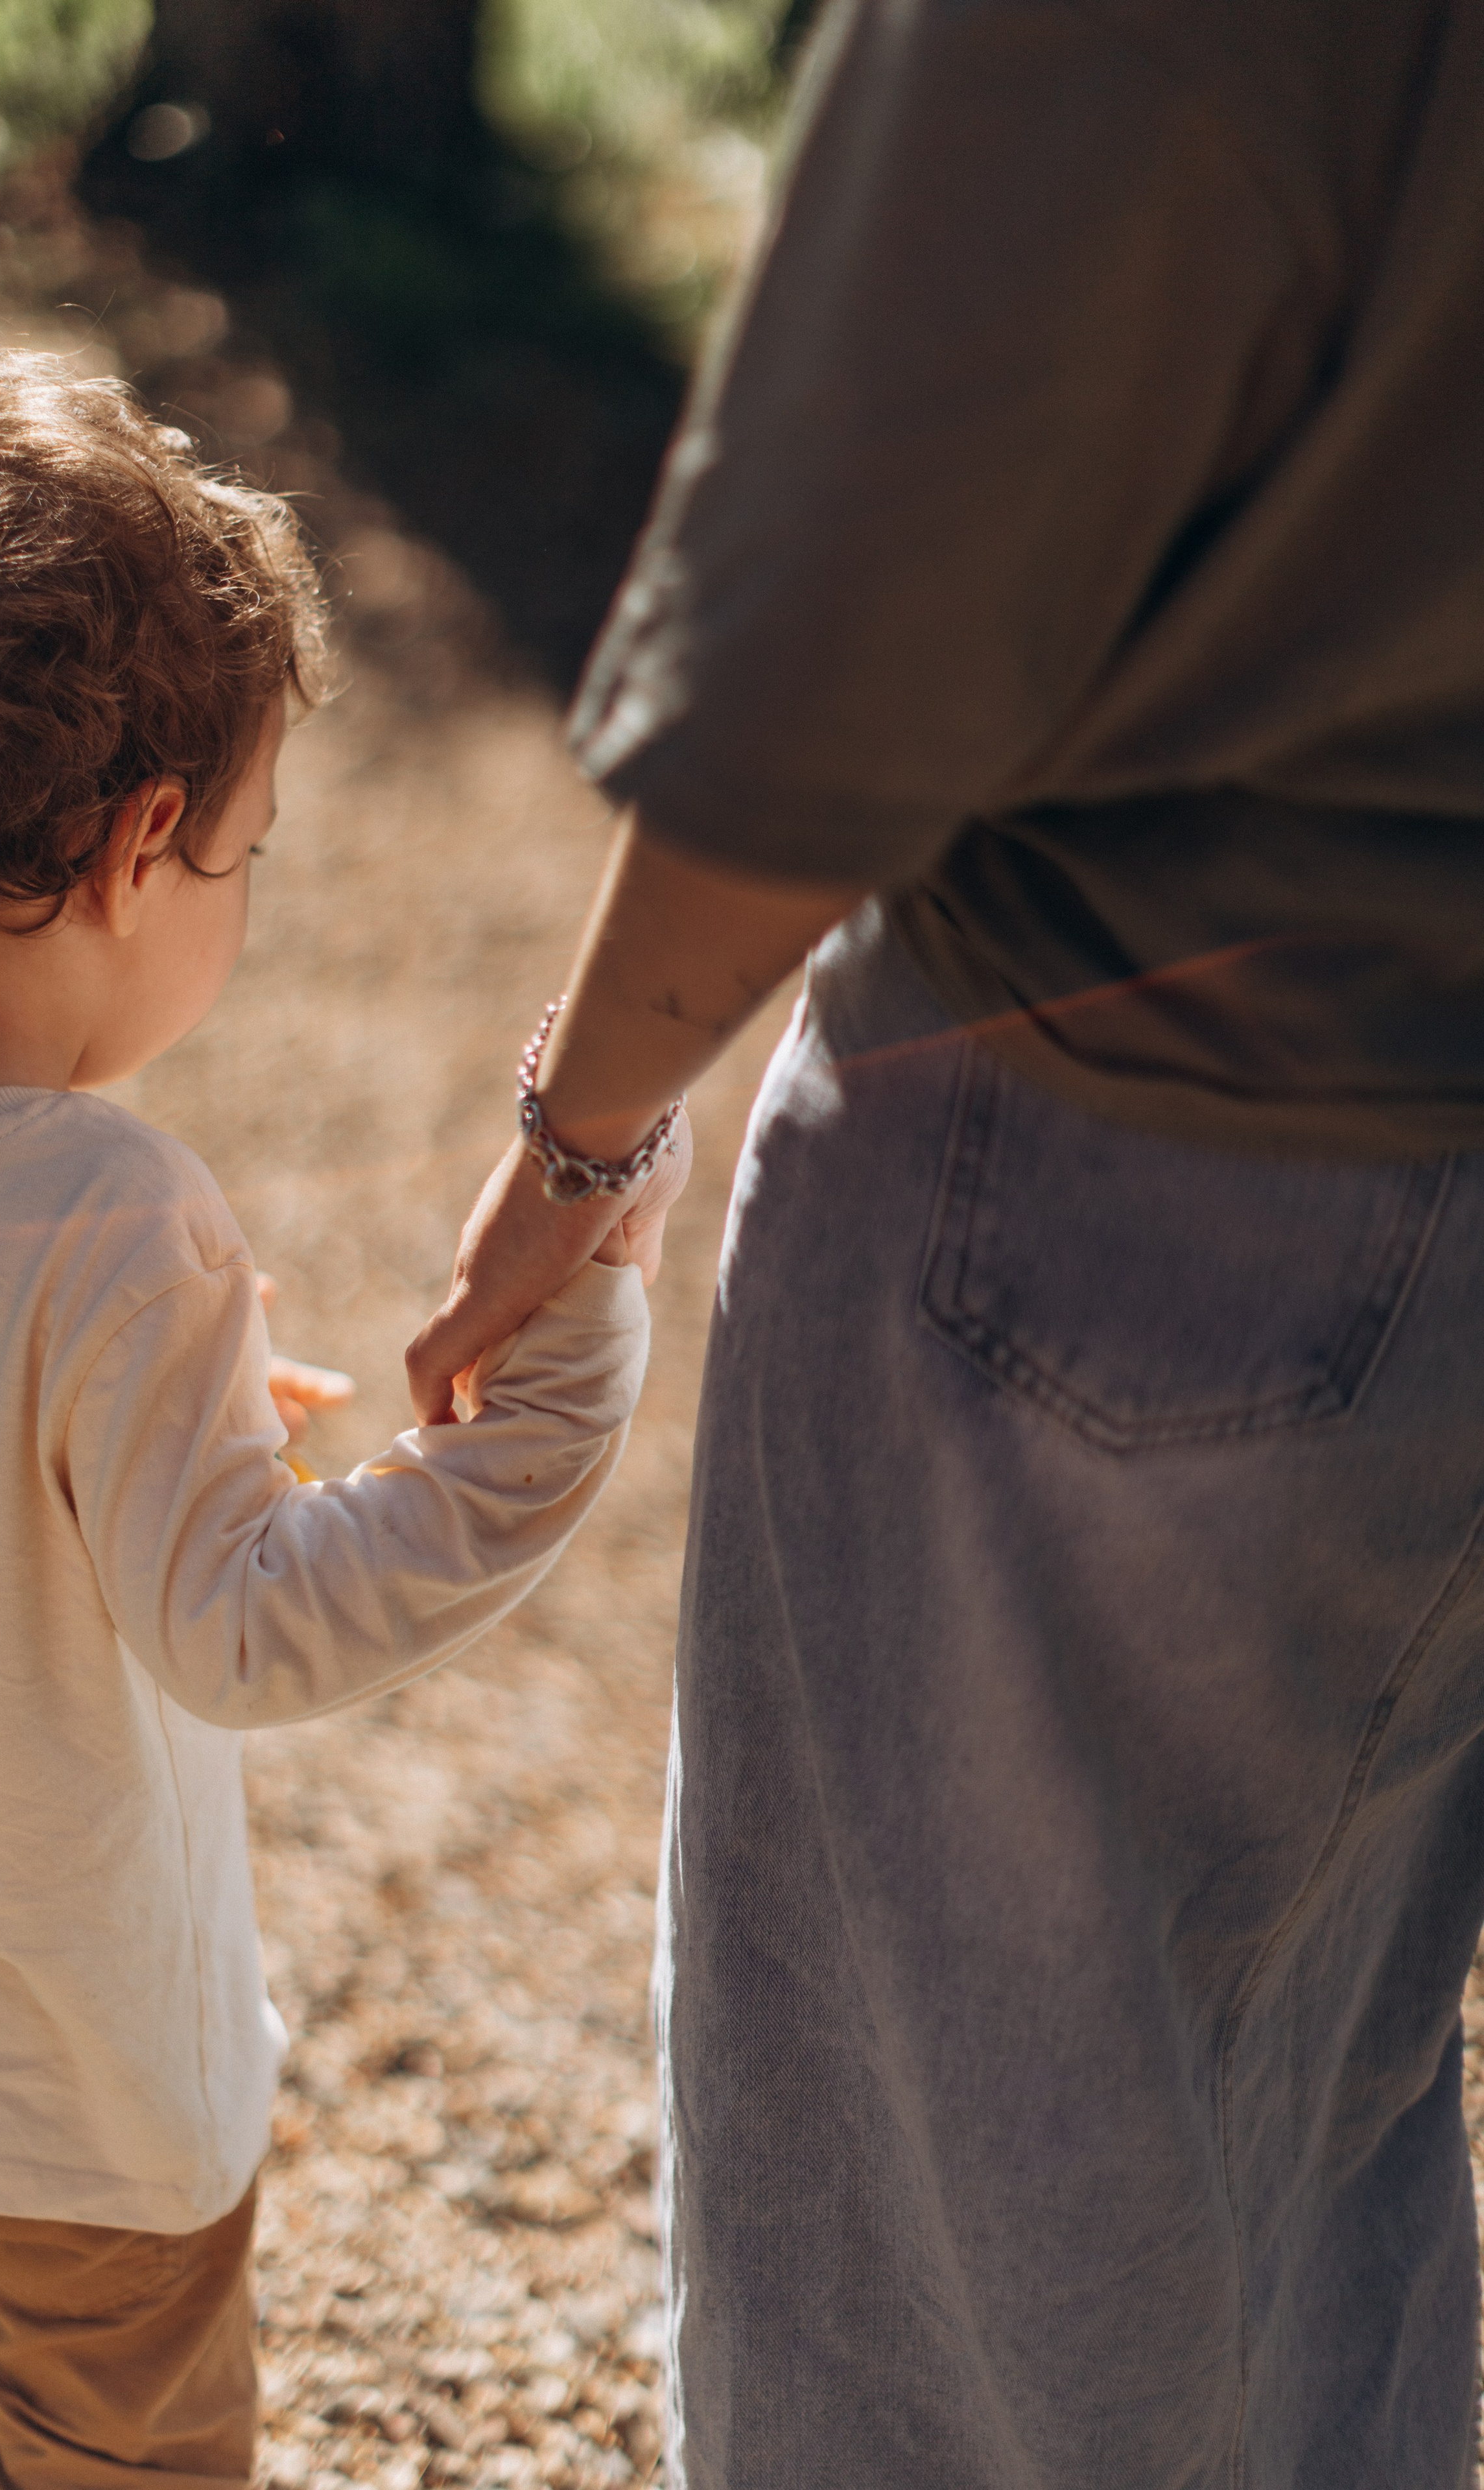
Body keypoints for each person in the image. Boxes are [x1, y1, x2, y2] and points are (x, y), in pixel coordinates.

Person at [407, 1, 1484, 2482]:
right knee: (1318, 2108)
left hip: (1119, 1185)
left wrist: (580, 1137)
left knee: (929, 2230)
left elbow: (827, 648)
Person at [0, 345, 686, 2490]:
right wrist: (564, 1368)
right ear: (137, 848)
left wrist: (117, 1442)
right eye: (245, 852)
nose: (241, 891)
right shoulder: (100, 1210)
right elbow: (251, 1630)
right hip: (85, 2124)